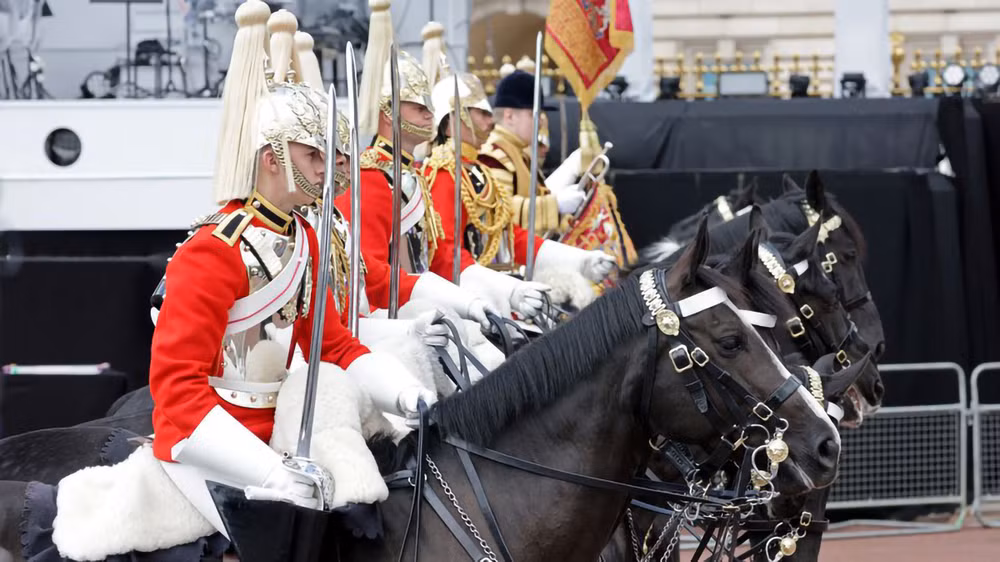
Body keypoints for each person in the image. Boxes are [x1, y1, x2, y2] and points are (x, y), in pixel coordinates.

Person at [42, 5, 436, 559]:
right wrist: (268, 472)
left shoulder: (307, 236)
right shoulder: (213, 250)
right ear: (272, 158)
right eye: (314, 154)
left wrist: (404, 391)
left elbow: (333, 343)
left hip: (278, 428)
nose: (330, 170)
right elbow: (178, 393)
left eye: (333, 156)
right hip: (211, 445)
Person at [335, 1, 551, 321]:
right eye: (418, 108)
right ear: (389, 113)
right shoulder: (369, 178)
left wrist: (501, 291)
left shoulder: (416, 175)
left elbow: (440, 257)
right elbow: (372, 278)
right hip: (390, 319)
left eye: (429, 107)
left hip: (428, 307)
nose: (430, 114)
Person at [422, 71, 616, 311]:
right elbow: (446, 259)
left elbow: (509, 238)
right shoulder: (444, 173)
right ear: (453, 119)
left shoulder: (475, 170)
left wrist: (579, 260)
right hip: (461, 303)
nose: (489, 121)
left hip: (493, 292)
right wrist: (508, 291)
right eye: (481, 113)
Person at [480, 69, 585, 236]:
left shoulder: (520, 152)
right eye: (533, 114)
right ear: (509, 116)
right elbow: (499, 209)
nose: (541, 122)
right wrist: (555, 205)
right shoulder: (494, 154)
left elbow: (540, 196)